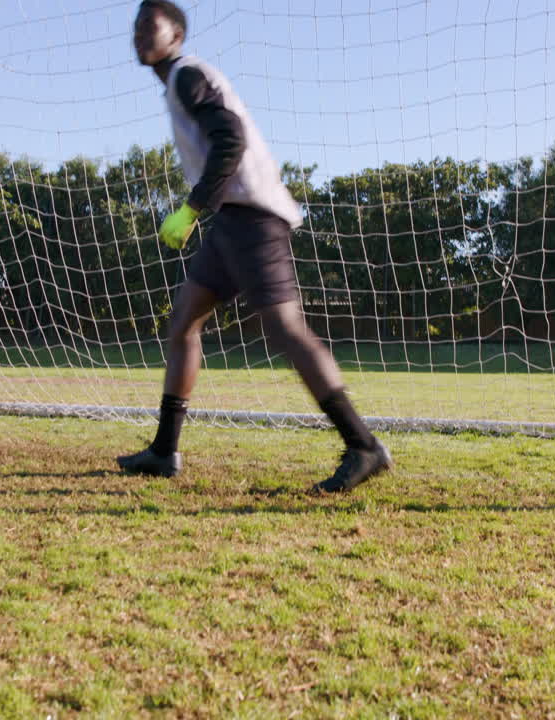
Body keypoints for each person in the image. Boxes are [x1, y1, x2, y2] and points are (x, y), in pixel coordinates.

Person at [117, 0, 391, 494]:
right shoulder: (179, 80)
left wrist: (192, 207)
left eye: (148, 25)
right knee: (184, 320)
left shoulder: (185, 74)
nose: (139, 33)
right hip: (230, 222)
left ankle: (363, 444)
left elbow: (231, 139)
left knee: (286, 330)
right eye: (135, 25)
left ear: (175, 36)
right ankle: (164, 450)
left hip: (252, 217)